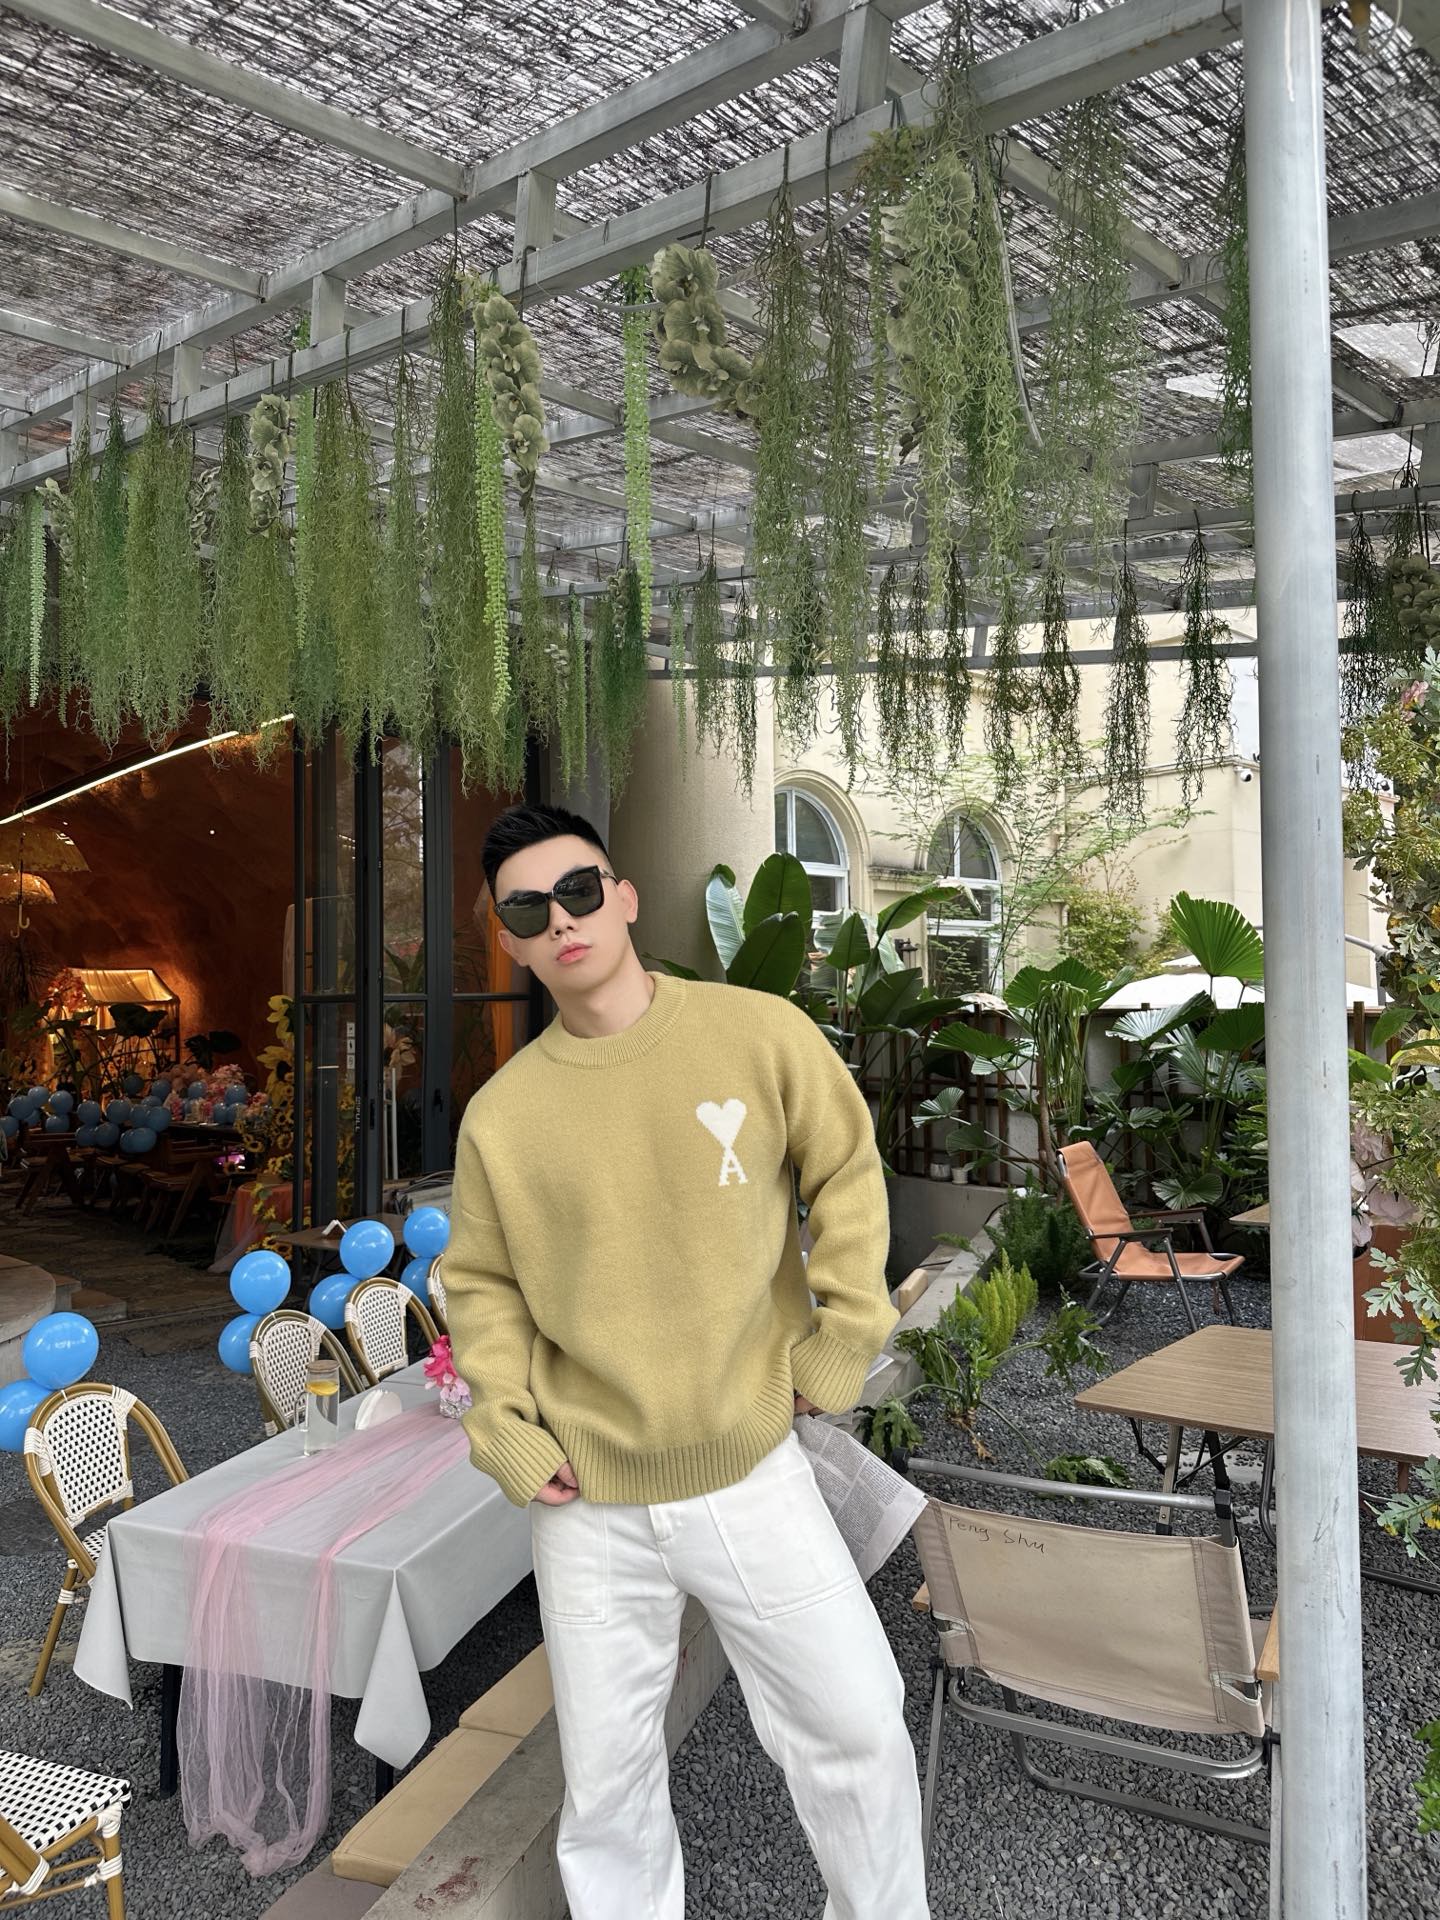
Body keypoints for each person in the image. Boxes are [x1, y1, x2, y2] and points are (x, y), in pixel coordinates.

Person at [444, 802, 930, 1920]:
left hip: (750, 1464)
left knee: (857, 1725)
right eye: (530, 909)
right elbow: (483, 1286)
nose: (562, 921)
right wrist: (503, 1427)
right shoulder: (502, 1118)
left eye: (579, 891)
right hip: (588, 1499)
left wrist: (844, 1339)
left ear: (621, 897)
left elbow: (849, 1174)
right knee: (606, 1789)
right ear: (511, 941)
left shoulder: (757, 1034)